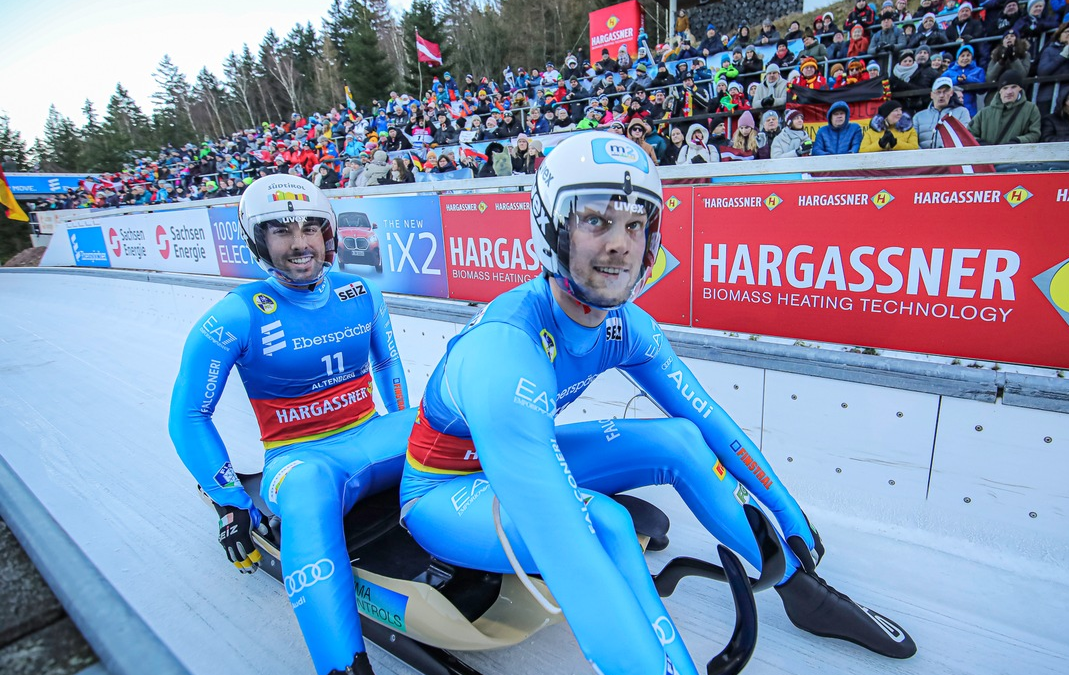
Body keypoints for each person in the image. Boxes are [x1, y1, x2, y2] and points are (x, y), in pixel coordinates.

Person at [396, 131, 916, 675]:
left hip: (518, 457)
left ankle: (801, 589)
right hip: (444, 490)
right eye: (595, 220)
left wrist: (788, 518)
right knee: (604, 525)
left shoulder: (626, 325)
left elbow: (705, 418)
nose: (620, 243)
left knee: (680, 440)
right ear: (552, 230)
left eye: (634, 224)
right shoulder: (507, 345)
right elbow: (564, 541)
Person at [169, 175, 415, 675]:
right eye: (281, 230)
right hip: (300, 459)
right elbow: (188, 415)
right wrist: (232, 501)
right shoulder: (233, 316)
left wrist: (412, 438)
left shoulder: (360, 291)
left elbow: (388, 366)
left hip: (374, 436)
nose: (300, 243)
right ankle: (342, 666)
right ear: (259, 242)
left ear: (328, 235)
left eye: (310, 228)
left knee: (455, 419)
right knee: (304, 489)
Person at [968, 70, 1041, 144]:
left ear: (1020, 89)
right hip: (989, 154)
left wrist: (1018, 141)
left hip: (1017, 154)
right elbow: (968, 134)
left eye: (1013, 87)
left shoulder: (1031, 109)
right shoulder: (984, 113)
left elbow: (1035, 134)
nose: (1009, 92)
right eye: (1005, 88)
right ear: (1000, 91)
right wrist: (980, 142)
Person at [913, 76, 974, 147]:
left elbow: (963, 137)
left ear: (951, 93)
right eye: (938, 92)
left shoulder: (962, 112)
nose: (941, 95)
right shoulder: (918, 116)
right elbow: (913, 142)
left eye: (945, 91)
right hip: (923, 156)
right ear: (931, 95)